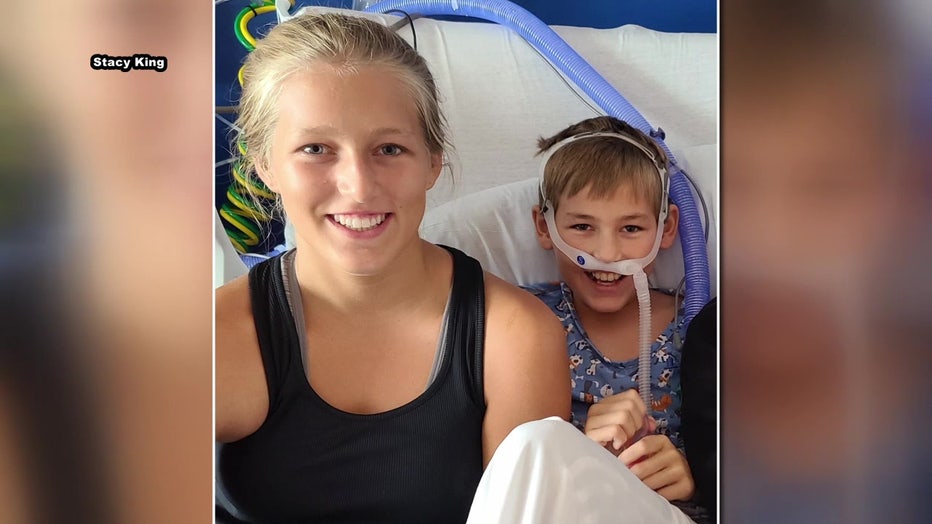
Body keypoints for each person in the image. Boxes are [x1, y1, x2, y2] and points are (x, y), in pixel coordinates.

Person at [214, 12, 569, 522]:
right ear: (264, 164)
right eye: (316, 149)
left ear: (432, 161)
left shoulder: (515, 338)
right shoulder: (215, 340)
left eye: (389, 148)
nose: (358, 187)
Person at [524, 115, 709, 521]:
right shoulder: (523, 322)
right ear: (544, 225)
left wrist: (695, 480)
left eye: (630, 227)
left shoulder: (701, 332)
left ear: (667, 229)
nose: (607, 253)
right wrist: (576, 451)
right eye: (582, 226)